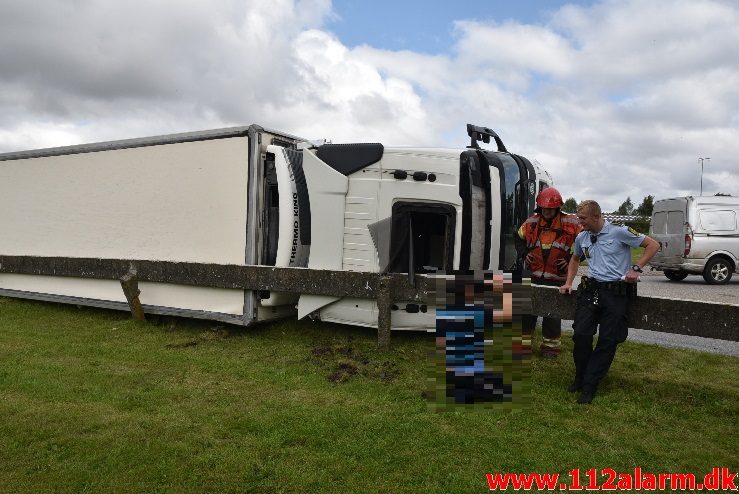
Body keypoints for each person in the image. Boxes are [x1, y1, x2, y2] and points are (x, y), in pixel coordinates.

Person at [559, 200, 659, 404]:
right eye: (579, 218)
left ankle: (589, 386)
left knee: (608, 339)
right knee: (581, 334)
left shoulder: (619, 232)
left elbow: (653, 245)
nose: (580, 222)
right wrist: (569, 282)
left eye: (583, 218)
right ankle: (581, 376)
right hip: (591, 291)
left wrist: (636, 268)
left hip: (615, 294)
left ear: (596, 216)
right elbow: (575, 259)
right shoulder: (582, 237)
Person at [516, 187, 581, 358]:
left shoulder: (572, 223)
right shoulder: (531, 222)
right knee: (527, 312)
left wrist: (570, 259)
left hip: (557, 277)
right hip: (532, 275)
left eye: (550, 209)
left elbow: (589, 243)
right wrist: (524, 254)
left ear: (557, 207)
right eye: (544, 208)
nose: (547, 211)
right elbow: (518, 237)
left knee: (552, 314)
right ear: (539, 207)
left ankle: (550, 349)